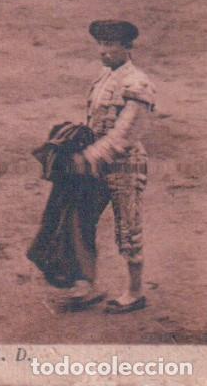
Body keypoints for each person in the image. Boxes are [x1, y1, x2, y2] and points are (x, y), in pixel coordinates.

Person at [70, 20, 155, 314]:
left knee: (127, 227)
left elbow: (124, 135)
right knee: (81, 219)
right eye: (101, 44)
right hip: (97, 164)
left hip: (125, 166)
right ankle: (87, 283)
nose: (103, 51)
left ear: (127, 47)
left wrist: (90, 156)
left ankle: (135, 291)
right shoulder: (106, 75)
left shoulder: (137, 84)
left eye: (110, 45)